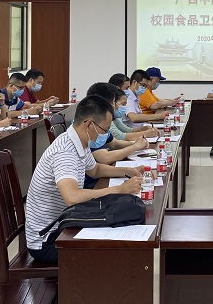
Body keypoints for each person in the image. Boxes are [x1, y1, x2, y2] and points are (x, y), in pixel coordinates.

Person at [24, 95, 143, 263]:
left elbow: (95, 170)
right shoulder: (65, 152)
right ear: (89, 124)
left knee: (118, 222)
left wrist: (127, 171)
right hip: (49, 239)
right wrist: (119, 189)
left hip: (66, 222)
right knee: (116, 248)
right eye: (105, 130)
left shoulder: (79, 140)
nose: (106, 135)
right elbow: (72, 197)